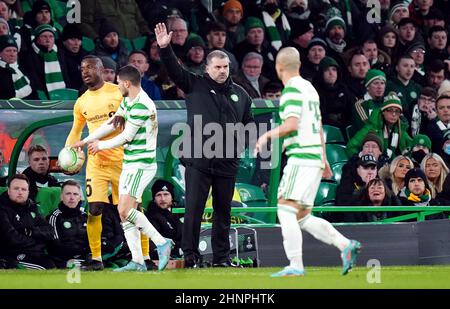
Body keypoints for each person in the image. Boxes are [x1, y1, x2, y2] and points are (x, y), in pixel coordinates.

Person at [255, 47, 361, 277]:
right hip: (313, 157)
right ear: (299, 65)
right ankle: (345, 245)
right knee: (302, 216)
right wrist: (324, 161)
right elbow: (319, 126)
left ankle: (295, 264)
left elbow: (291, 124)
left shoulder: (291, 90)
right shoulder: (310, 89)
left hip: (301, 157)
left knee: (284, 209)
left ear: (278, 68)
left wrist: (267, 135)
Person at [155, 22, 254, 268]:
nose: (222, 70)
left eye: (225, 66)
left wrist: (238, 147)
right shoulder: (194, 84)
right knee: (194, 210)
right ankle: (190, 256)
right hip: (198, 160)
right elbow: (175, 71)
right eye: (217, 67)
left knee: (223, 212)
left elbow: (249, 125)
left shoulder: (241, 94)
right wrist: (165, 49)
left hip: (227, 162)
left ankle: (222, 258)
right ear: (207, 67)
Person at [73, 65, 173, 272]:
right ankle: (137, 260)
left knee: (128, 209)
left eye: (119, 83)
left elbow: (125, 136)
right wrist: (86, 140)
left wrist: (100, 145)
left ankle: (161, 242)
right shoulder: (129, 101)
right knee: (123, 212)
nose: (117, 86)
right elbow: (113, 122)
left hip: (140, 164)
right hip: (130, 162)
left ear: (127, 83)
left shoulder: (142, 105)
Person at [65, 55, 125, 271]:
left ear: (101, 69)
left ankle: (145, 256)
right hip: (96, 162)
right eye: (82, 68)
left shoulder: (118, 91)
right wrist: (68, 155)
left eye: (90, 67)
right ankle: (97, 259)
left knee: (129, 210)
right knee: (95, 208)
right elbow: (76, 131)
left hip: (123, 160)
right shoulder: (81, 102)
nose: (85, 71)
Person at [0, 174, 56, 269]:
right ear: (9, 191)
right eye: (16, 188)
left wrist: (31, 232)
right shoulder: (2, 209)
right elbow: (12, 239)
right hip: (10, 256)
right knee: (43, 268)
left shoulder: (32, 208)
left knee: (53, 265)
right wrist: (38, 242)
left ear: (28, 192)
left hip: (35, 254)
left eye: (23, 189)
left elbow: (50, 232)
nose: (20, 192)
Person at [47, 180, 89, 268]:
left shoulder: (85, 217)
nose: (72, 197)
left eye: (75, 194)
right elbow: (55, 246)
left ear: (80, 197)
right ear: (61, 197)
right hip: (63, 259)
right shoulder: (54, 217)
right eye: (68, 194)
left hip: (84, 256)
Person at [145, 179, 183, 259]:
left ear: (172, 196)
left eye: (166, 194)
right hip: (166, 253)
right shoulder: (152, 215)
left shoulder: (180, 211)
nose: (162, 199)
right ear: (154, 199)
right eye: (159, 195)